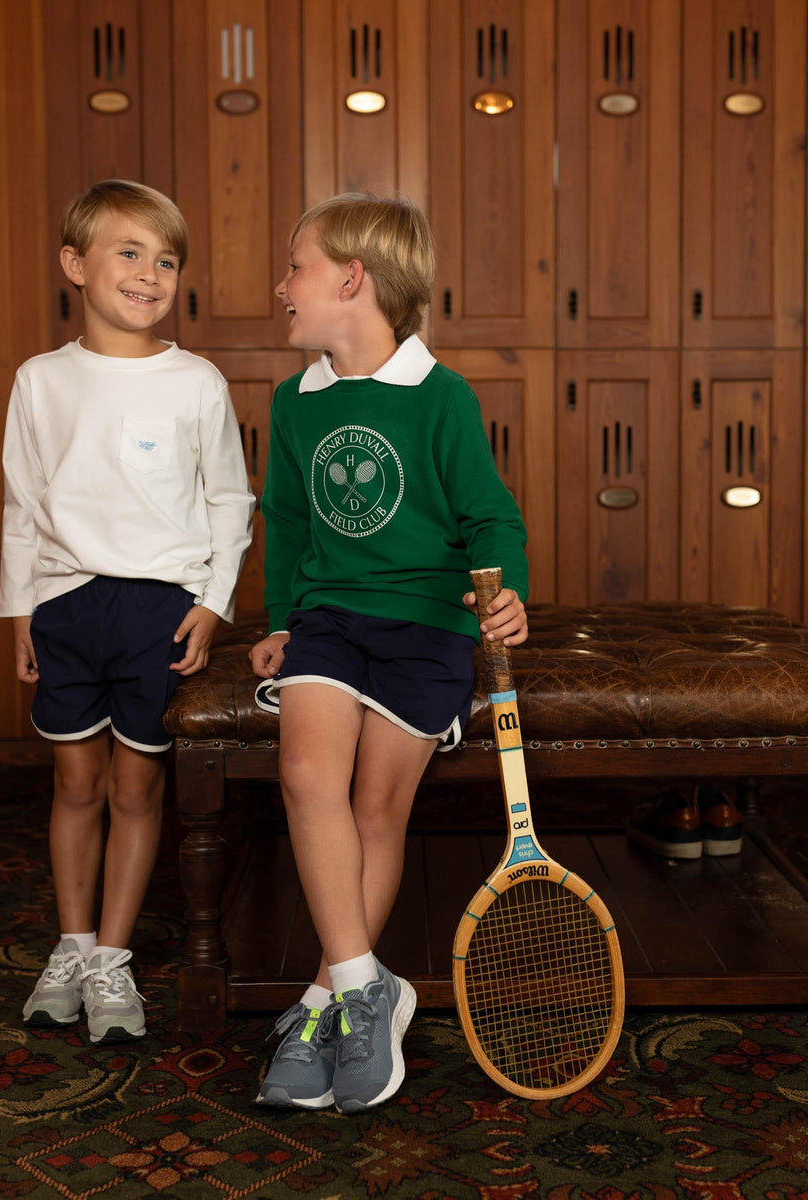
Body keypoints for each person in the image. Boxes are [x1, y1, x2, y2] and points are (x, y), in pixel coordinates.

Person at [249, 193, 528, 1113]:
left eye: (296, 267)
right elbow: (287, 521)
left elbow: (489, 515)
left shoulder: (440, 395)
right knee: (304, 770)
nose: (282, 286)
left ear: (351, 280)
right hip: (332, 621)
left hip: (426, 628)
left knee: (376, 806)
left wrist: (509, 590)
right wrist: (285, 616)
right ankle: (369, 988)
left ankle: (326, 1001)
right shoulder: (295, 402)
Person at [0, 180, 256, 1044]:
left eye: (167, 259)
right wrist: (21, 609)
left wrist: (213, 606)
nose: (150, 273)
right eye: (130, 252)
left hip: (160, 611)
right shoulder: (40, 381)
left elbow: (230, 501)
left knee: (138, 788)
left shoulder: (196, 382)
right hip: (67, 604)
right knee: (76, 785)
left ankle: (112, 959)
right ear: (75, 264)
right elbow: (21, 506)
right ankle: (70, 946)